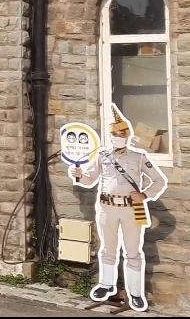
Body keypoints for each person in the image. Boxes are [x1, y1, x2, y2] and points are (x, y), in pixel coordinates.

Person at [70, 107, 168, 312]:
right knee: (108, 249)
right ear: (110, 135)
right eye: (115, 134)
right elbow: (89, 179)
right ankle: (106, 284)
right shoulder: (102, 155)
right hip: (107, 207)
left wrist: (145, 195)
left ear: (128, 135)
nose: (118, 136)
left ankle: (135, 293)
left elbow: (159, 181)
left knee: (133, 252)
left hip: (131, 209)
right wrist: (78, 174)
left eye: (122, 133)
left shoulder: (139, 156)